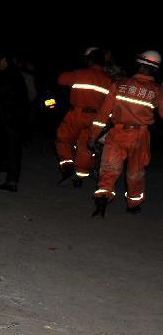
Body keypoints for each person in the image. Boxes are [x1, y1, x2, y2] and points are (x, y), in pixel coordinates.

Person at [89, 50, 163, 217]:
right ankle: (133, 205)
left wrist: (93, 136)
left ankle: (102, 199)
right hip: (140, 136)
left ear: (138, 64)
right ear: (156, 70)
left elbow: (102, 114)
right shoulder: (157, 91)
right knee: (135, 172)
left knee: (108, 169)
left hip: (117, 133)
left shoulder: (120, 84)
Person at [55, 48, 112, 186]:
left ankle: (68, 169)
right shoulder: (108, 80)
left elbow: (60, 79)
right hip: (95, 118)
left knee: (63, 140)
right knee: (85, 146)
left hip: (76, 114)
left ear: (89, 59)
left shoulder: (79, 74)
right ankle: (79, 176)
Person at [0, 51, 30, 192]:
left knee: (13, 149)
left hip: (13, 118)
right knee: (8, 148)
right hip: (9, 117)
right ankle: (8, 173)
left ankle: (11, 182)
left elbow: (6, 98)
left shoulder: (11, 75)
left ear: (3, 61)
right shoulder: (7, 74)